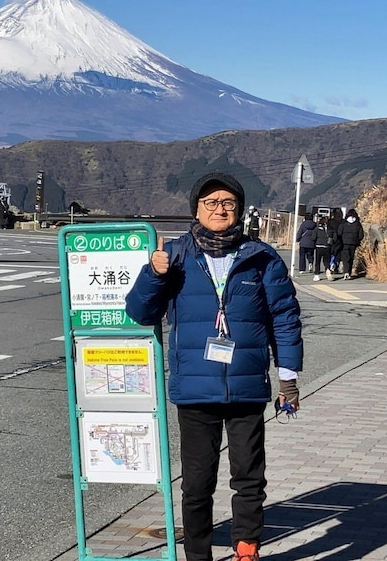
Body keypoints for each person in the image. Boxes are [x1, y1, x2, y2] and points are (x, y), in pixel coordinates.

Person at [125, 172, 303, 561]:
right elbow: (140, 313)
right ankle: (199, 555)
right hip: (194, 389)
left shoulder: (261, 258)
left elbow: (285, 318)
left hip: (247, 387)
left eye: (228, 203)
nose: (220, 210)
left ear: (239, 210)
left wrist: (287, 378)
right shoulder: (174, 255)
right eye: (211, 203)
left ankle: (246, 547)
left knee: (250, 478)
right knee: (197, 483)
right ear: (196, 210)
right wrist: (153, 275)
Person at [337, 208, 364, 280]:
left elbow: (339, 233)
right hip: (354, 243)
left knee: (345, 258)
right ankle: (349, 273)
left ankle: (345, 272)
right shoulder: (357, 224)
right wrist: (357, 240)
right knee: (351, 258)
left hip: (344, 243)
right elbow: (361, 235)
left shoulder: (344, 223)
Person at [312, 215, 334, 281]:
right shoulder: (330, 229)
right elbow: (334, 237)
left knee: (317, 261)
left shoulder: (317, 229)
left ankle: (317, 275)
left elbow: (313, 237)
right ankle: (327, 269)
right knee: (327, 261)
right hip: (327, 246)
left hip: (319, 246)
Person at [327, 208, 344, 274]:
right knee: (339, 253)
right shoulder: (343, 221)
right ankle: (336, 264)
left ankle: (331, 264)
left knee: (331, 253)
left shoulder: (330, 221)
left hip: (332, 240)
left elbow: (328, 231)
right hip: (341, 240)